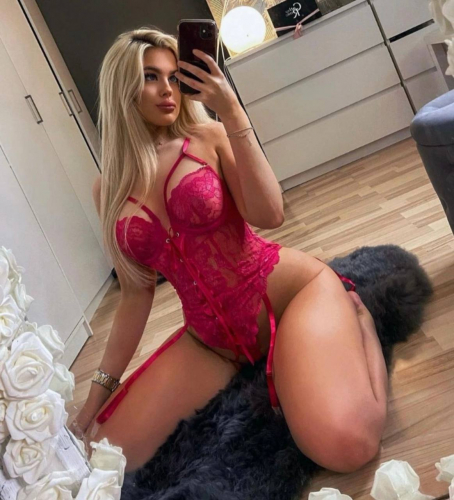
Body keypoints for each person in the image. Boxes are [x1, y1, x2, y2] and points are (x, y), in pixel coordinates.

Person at [70, 27, 388, 474]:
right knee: (100, 458)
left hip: (289, 295)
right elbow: (135, 294)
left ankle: (359, 318)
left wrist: (233, 112)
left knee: (346, 447)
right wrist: (94, 398)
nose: (168, 89)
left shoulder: (209, 136)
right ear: (122, 88)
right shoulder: (108, 190)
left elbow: (270, 214)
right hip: (210, 342)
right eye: (150, 77)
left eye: (174, 77)